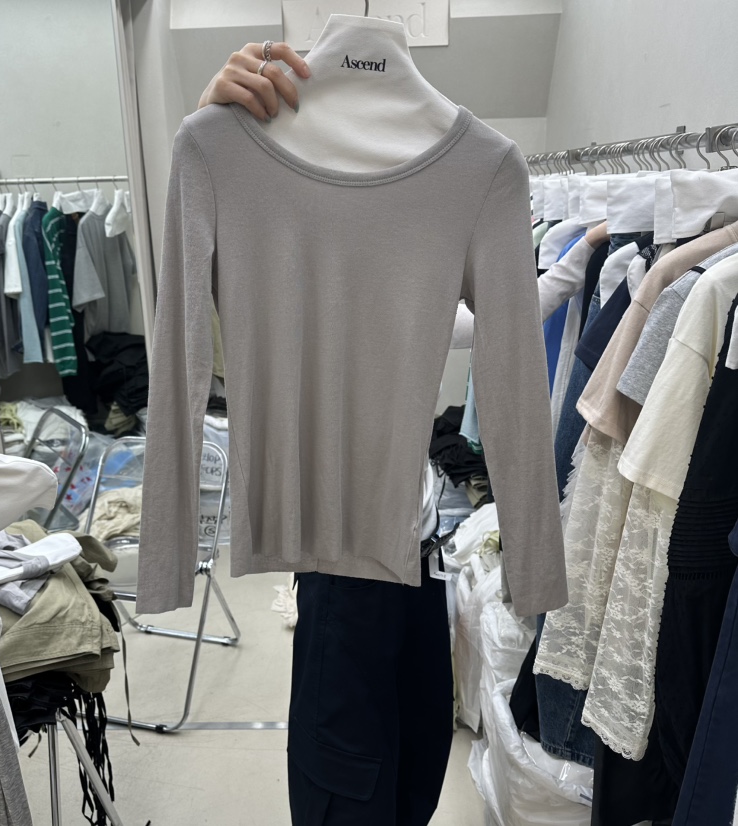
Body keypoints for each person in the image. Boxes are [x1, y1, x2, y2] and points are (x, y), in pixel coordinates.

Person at [195, 41, 610, 825]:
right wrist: (219, 139)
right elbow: (212, 278)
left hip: (417, 553)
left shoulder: (428, 224)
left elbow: (468, 323)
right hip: (343, 559)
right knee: (348, 777)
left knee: (414, 758)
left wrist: (565, 268)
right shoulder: (284, 249)